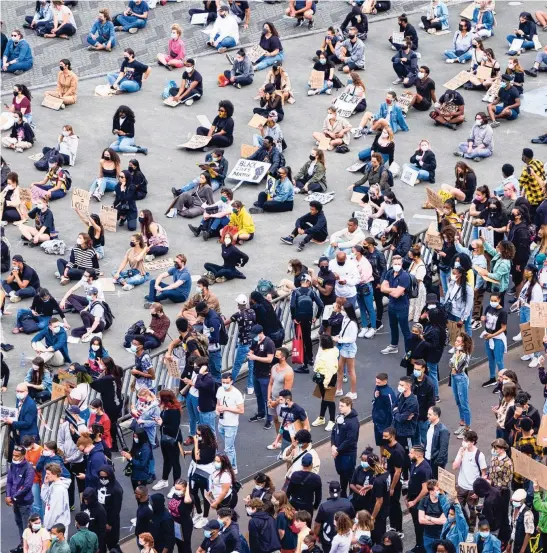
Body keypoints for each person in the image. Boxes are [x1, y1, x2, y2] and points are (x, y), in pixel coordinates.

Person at [452, 431, 487, 533]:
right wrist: (461, 454)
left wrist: (478, 491)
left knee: (472, 511)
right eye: (463, 440)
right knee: (458, 508)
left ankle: (471, 530)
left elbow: (483, 474)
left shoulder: (479, 455)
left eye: (466, 441)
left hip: (472, 489)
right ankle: (460, 527)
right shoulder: (462, 451)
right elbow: (454, 466)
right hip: (461, 486)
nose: (464, 442)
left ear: (472, 442)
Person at [6, 445, 35, 553]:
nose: (14, 457)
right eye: (13, 455)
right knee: (19, 524)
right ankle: (23, 545)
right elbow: (9, 481)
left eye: (17, 456)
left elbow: (27, 487)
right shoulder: (13, 465)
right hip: (15, 502)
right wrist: (8, 496)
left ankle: (29, 548)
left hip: (25, 502)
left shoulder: (28, 468)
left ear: (23, 456)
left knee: (27, 526)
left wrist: (13, 497)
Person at [381, 255, 411, 355]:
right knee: (392, 326)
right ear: (392, 264)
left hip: (402, 307)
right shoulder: (389, 273)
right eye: (395, 264)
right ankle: (393, 346)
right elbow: (382, 289)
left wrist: (390, 290)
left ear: (402, 264)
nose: (397, 265)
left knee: (405, 330)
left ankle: (409, 352)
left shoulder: (405, 276)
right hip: (391, 305)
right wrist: (395, 289)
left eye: (399, 264)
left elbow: (397, 295)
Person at [313, 481, 355, 553]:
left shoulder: (324, 506)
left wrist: (315, 535)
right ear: (340, 491)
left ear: (329, 492)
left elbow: (317, 524)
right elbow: (353, 521)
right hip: (345, 538)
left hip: (328, 540)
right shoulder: (348, 504)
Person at [331, 396, 359, 498]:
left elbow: (350, 440)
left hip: (348, 454)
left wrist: (338, 449)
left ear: (349, 406)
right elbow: (334, 432)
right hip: (338, 452)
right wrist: (333, 446)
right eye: (339, 405)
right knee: (342, 474)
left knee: (349, 476)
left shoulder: (353, 422)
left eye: (342, 406)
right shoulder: (340, 417)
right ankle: (342, 495)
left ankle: (352, 497)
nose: (340, 408)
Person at [407, 445, 433, 553]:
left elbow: (425, 489)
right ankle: (419, 544)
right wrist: (408, 497)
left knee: (420, 525)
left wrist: (414, 501)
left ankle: (421, 547)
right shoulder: (414, 464)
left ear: (419, 454)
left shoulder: (424, 468)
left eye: (411, 453)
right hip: (412, 498)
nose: (409, 454)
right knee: (416, 524)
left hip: (420, 502)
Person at [216, 373, 244, 473]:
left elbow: (241, 410)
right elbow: (218, 403)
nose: (224, 384)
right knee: (230, 447)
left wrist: (226, 408)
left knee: (228, 449)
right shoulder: (220, 390)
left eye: (227, 382)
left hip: (231, 425)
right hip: (221, 422)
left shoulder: (236, 394)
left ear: (231, 381)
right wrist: (217, 410)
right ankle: (233, 466)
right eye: (223, 382)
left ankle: (230, 468)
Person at [286, 453, 322, 517]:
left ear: (302, 464)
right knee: (306, 525)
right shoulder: (316, 478)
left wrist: (287, 503)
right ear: (311, 464)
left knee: (293, 523)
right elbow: (318, 496)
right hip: (307, 505)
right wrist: (315, 506)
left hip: (294, 503)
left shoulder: (295, 475)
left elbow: (289, 491)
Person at [418, 481, 447, 553]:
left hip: (440, 536)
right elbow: (421, 520)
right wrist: (438, 520)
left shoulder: (443, 501)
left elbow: (443, 521)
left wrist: (429, 518)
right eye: (437, 490)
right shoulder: (424, 501)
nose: (439, 492)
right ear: (431, 491)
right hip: (428, 536)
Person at [519, 148, 546, 219]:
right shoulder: (538, 162)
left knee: (534, 216)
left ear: (525, 157)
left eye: (522, 155)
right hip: (543, 194)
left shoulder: (527, 170)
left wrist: (521, 192)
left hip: (534, 198)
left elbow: (521, 183)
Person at [425, 406, 450, 478]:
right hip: (427, 459)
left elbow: (443, 449)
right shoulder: (429, 426)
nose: (427, 416)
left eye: (430, 414)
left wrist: (437, 462)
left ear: (436, 415)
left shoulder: (443, 430)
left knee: (436, 483)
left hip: (435, 461)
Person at [81, 487, 107, 553]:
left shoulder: (100, 510)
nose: (86, 501)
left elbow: (102, 530)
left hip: (95, 540)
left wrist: (99, 546)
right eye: (84, 499)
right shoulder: (83, 505)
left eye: (87, 499)